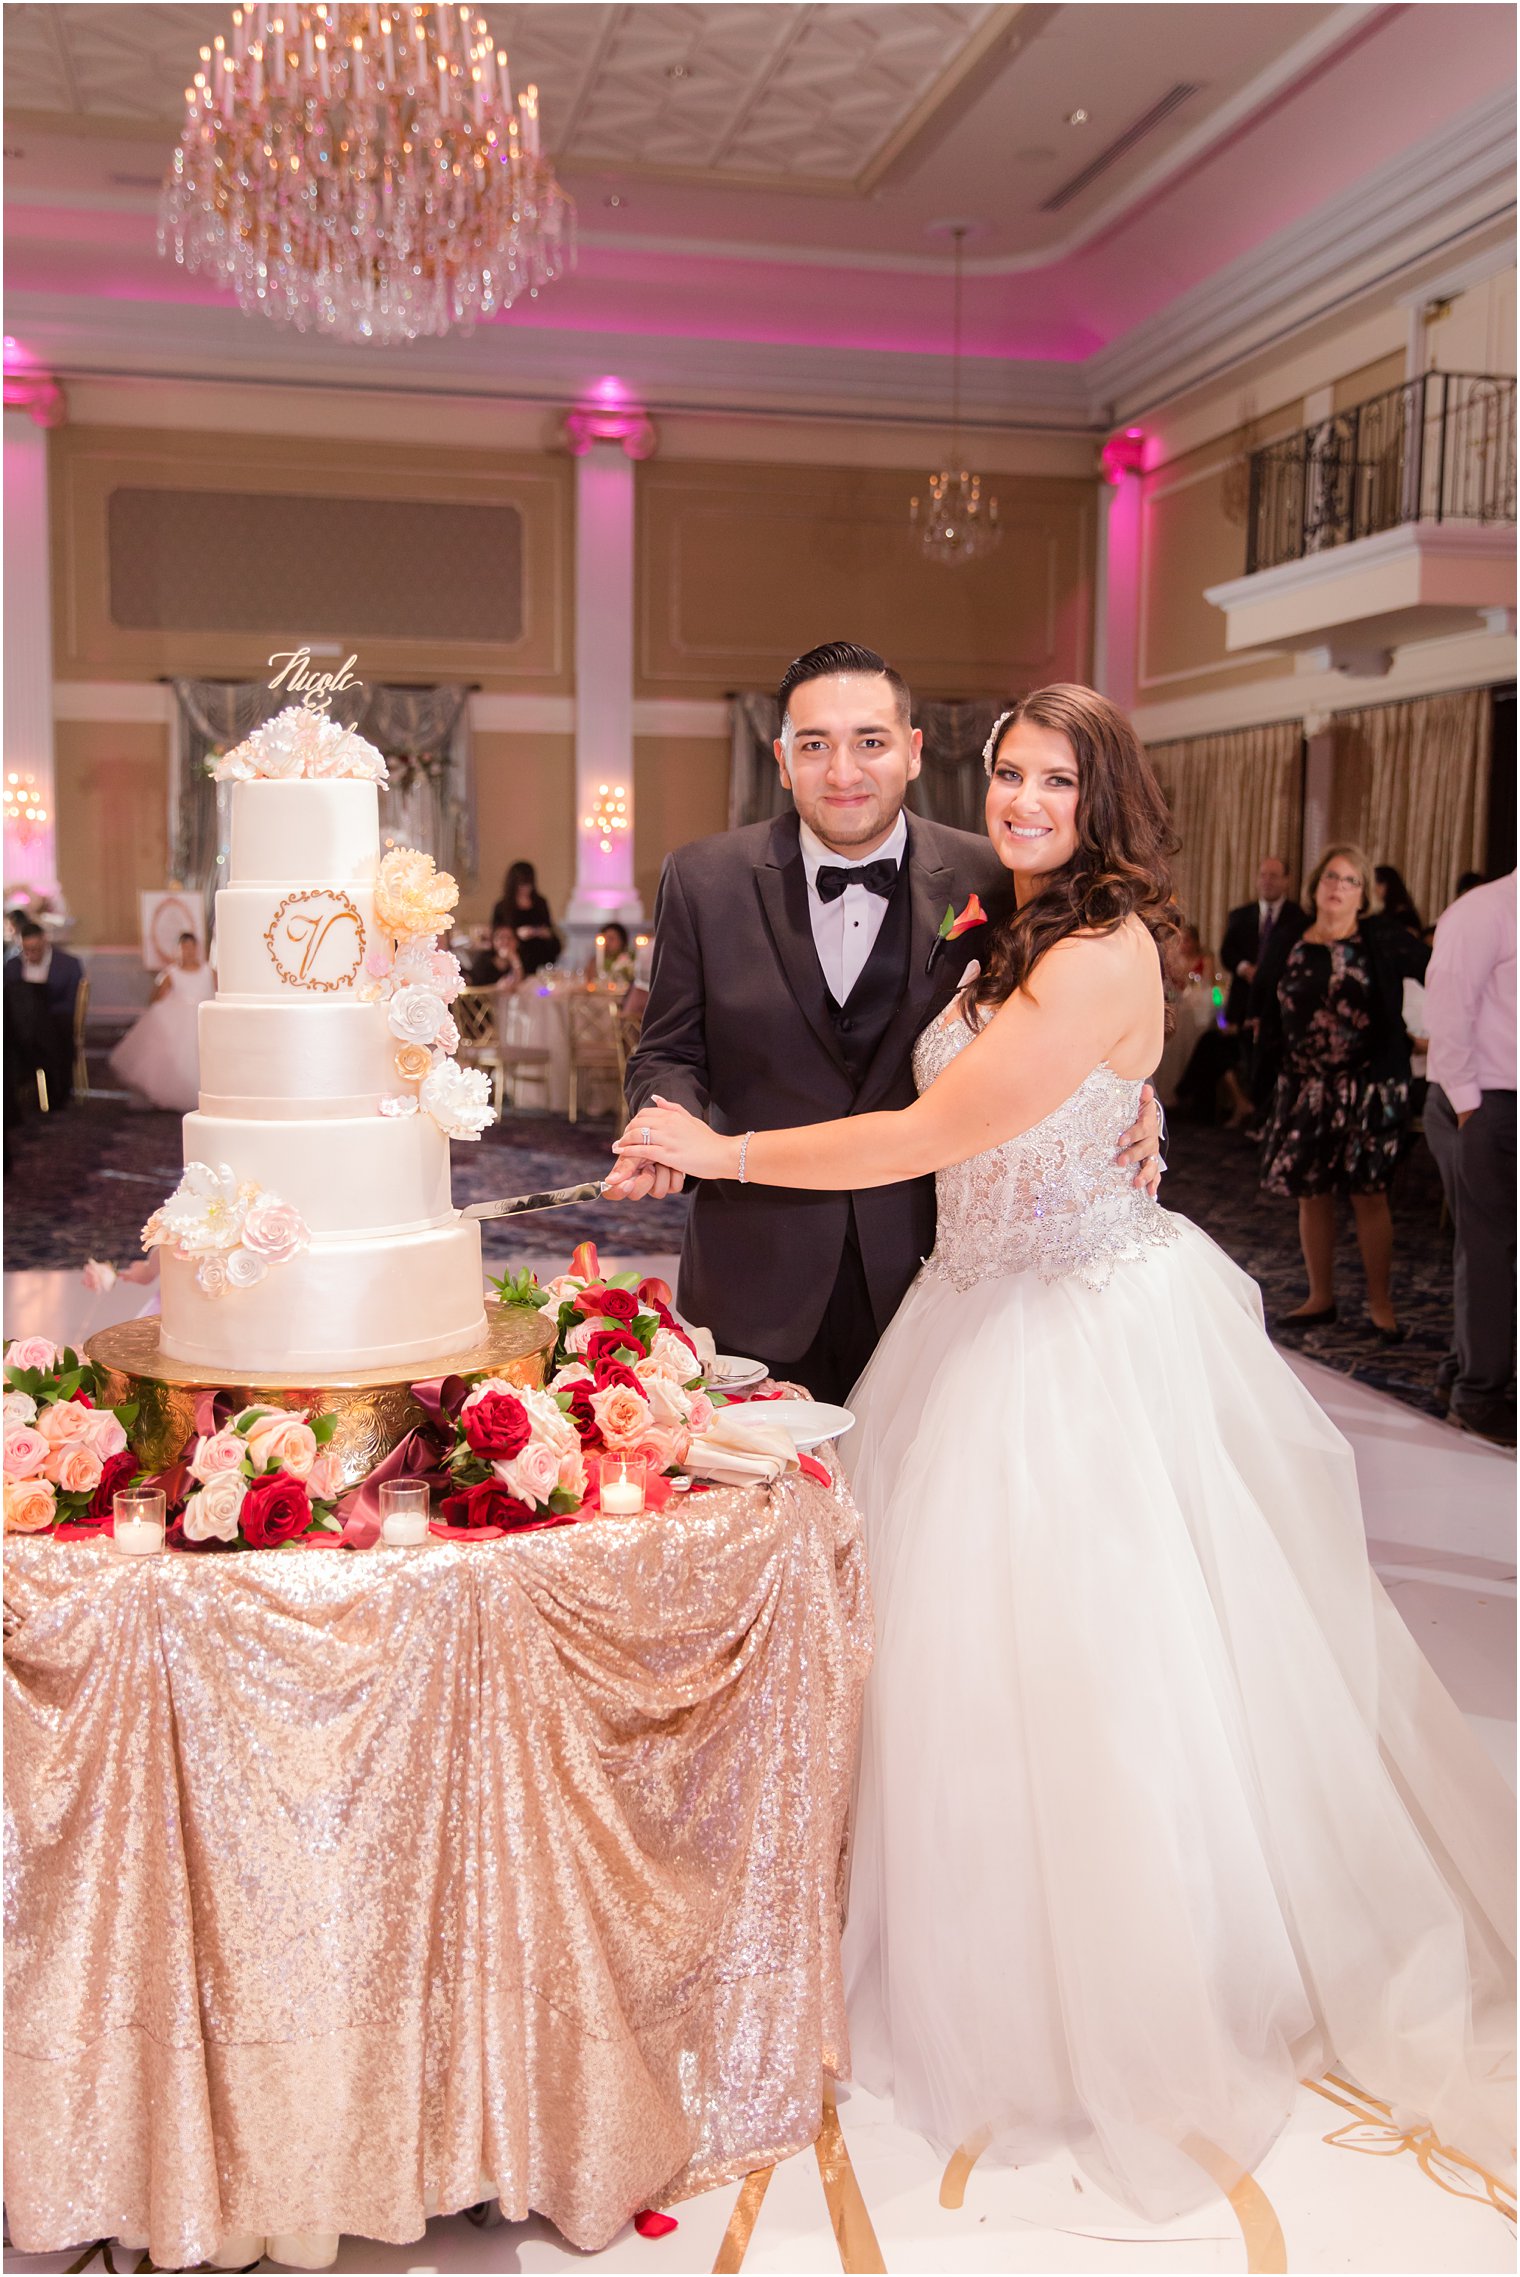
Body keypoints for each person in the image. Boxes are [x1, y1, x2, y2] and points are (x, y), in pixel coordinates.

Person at [612, 682, 1515, 2223]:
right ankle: (959, 1942)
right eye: (1010, 772)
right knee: (952, 1681)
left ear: (1107, 798)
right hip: (969, 1315)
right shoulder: (1009, 919)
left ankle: (1105, 1992)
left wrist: (725, 1152)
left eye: (1056, 779)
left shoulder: (1098, 950)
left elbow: (926, 1133)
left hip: (1074, 1343)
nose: (1024, 799)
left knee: (1093, 1680)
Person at [615, 640, 1164, 1401]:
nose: (843, 772)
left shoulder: (1000, 874)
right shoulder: (702, 878)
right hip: (755, 1269)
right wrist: (661, 1122)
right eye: (815, 745)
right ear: (781, 758)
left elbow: (1076, 1029)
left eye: (869, 742)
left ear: (911, 752)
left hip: (926, 1275)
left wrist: (1135, 1104)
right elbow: (667, 1048)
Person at [1256, 844, 1428, 1339]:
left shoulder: (1381, 937)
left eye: (1350, 880)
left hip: (1368, 1087)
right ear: (1315, 886)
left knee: (1369, 1194)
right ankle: (1320, 1297)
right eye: (1330, 876)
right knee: (1312, 1194)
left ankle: (1379, 1302)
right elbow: (1267, 1005)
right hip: (1305, 1089)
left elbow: (1440, 970)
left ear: (1364, 894)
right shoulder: (1289, 938)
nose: (1336, 886)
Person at [1423, 870, 1517, 1446]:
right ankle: (1479, 1396)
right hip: (1482, 1104)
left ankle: (1461, 1372)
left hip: (1496, 1103)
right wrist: (1467, 1107)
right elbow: (1448, 1010)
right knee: (1489, 1251)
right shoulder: (1486, 909)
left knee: (1495, 1249)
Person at [108, 932, 213, 1112]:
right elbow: (155, 999)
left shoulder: (209, 971)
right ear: (178, 950)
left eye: (191, 947)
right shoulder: (171, 973)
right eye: (183, 948)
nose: (187, 952)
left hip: (205, 1015)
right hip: (179, 1018)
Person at [2, 917, 84, 1112]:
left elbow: (69, 1003)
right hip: (22, 1025)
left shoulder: (68, 964)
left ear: (44, 942)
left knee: (52, 1036)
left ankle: (57, 1090)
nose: (31, 955)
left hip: (55, 1019)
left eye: (35, 949)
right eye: (27, 950)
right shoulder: (13, 965)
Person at [1219, 854, 1304, 1029]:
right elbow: (1227, 952)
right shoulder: (1239, 915)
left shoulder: (1298, 917)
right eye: (1263, 875)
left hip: (1279, 1004)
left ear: (1286, 881)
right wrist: (1244, 968)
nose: (1267, 881)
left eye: (1273, 876)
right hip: (1242, 1002)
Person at [490, 861, 561, 977]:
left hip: (539, 951)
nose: (525, 889)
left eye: (528, 885)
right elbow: (497, 935)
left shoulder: (540, 903)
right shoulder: (502, 907)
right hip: (515, 954)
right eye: (522, 885)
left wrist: (542, 932)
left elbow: (549, 928)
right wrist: (516, 934)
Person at [467, 924, 524, 990]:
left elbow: (520, 984)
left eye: (509, 938)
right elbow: (475, 988)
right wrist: (496, 987)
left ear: (516, 943)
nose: (505, 942)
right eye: (501, 938)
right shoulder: (483, 961)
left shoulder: (521, 959)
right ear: (494, 942)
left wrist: (514, 959)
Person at [1374, 861, 1424, 936]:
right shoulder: (1372, 913)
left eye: (1379, 882)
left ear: (1391, 886)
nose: (1374, 888)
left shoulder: (1405, 915)